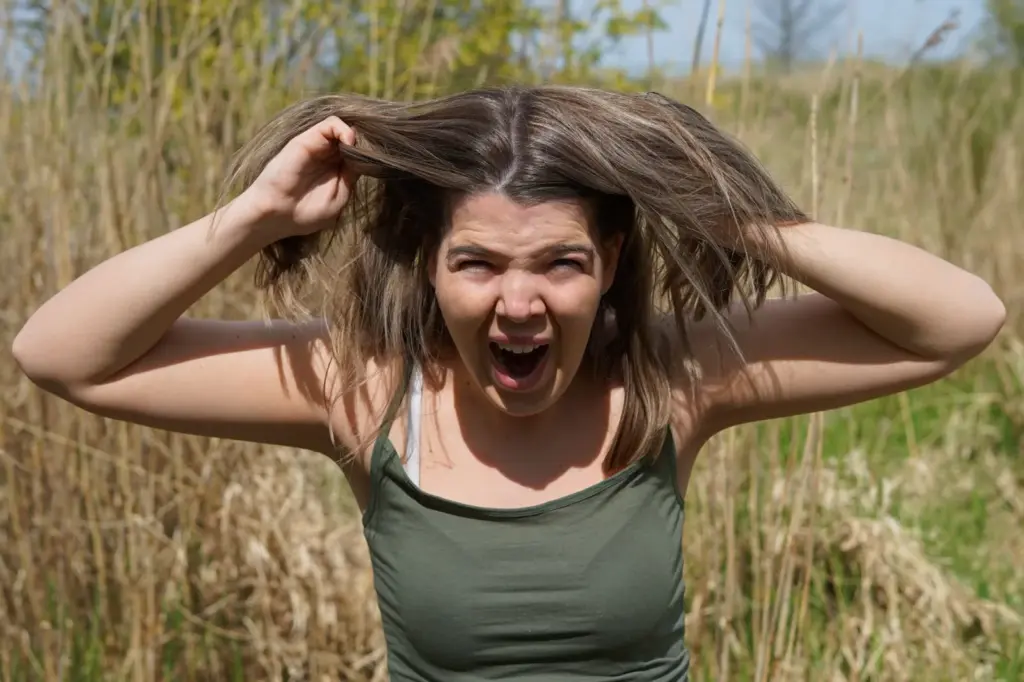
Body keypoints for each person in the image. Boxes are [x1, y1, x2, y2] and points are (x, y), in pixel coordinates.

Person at [12, 85, 1005, 681]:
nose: (519, 302)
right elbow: (62, 354)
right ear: (429, 264)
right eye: (478, 263)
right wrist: (254, 218)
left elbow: (958, 320)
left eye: (561, 263)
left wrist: (721, 210)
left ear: (610, 262)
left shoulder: (669, 379)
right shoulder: (365, 394)